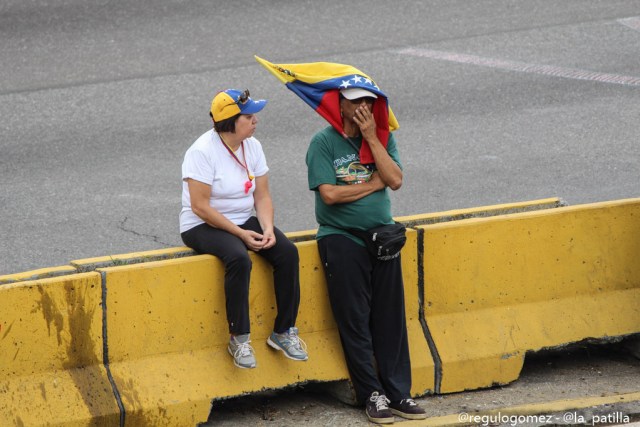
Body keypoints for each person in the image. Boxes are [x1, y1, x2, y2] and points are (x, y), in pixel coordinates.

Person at [305, 87, 426, 424]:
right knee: (355, 320)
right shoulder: (323, 143)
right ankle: (372, 394)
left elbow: (396, 179)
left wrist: (373, 138)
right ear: (340, 106)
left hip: (382, 238)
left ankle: (398, 392)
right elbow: (329, 194)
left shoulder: (382, 137)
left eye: (369, 103)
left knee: (390, 318)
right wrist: (373, 185)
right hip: (341, 239)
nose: (363, 108)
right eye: (356, 102)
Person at [180, 88, 308, 369]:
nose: (255, 121)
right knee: (238, 257)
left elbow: (262, 196)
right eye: (249, 117)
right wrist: (240, 234)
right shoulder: (201, 151)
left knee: (286, 252)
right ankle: (239, 339)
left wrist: (268, 228)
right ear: (230, 122)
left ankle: (283, 331)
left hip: (241, 219)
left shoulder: (254, 146)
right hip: (202, 224)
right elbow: (200, 206)